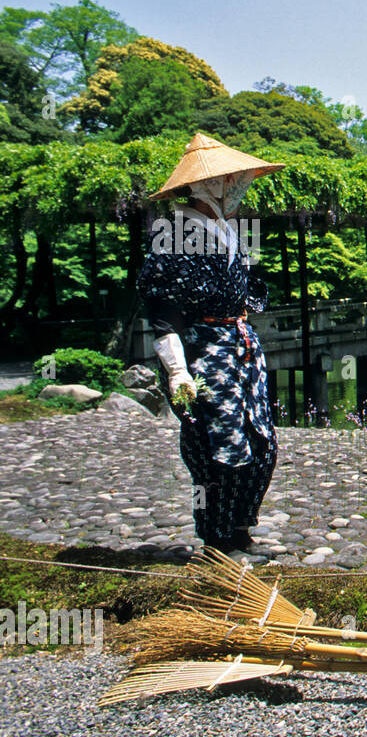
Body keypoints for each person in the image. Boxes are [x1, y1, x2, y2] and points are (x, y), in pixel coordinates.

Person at [136, 133, 285, 560]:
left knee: (262, 442)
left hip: (240, 347)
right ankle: (216, 537)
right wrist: (176, 370)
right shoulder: (174, 235)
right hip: (206, 352)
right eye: (232, 181)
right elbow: (164, 312)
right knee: (219, 445)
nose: (239, 188)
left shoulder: (226, 231)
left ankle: (240, 528)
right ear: (209, 187)